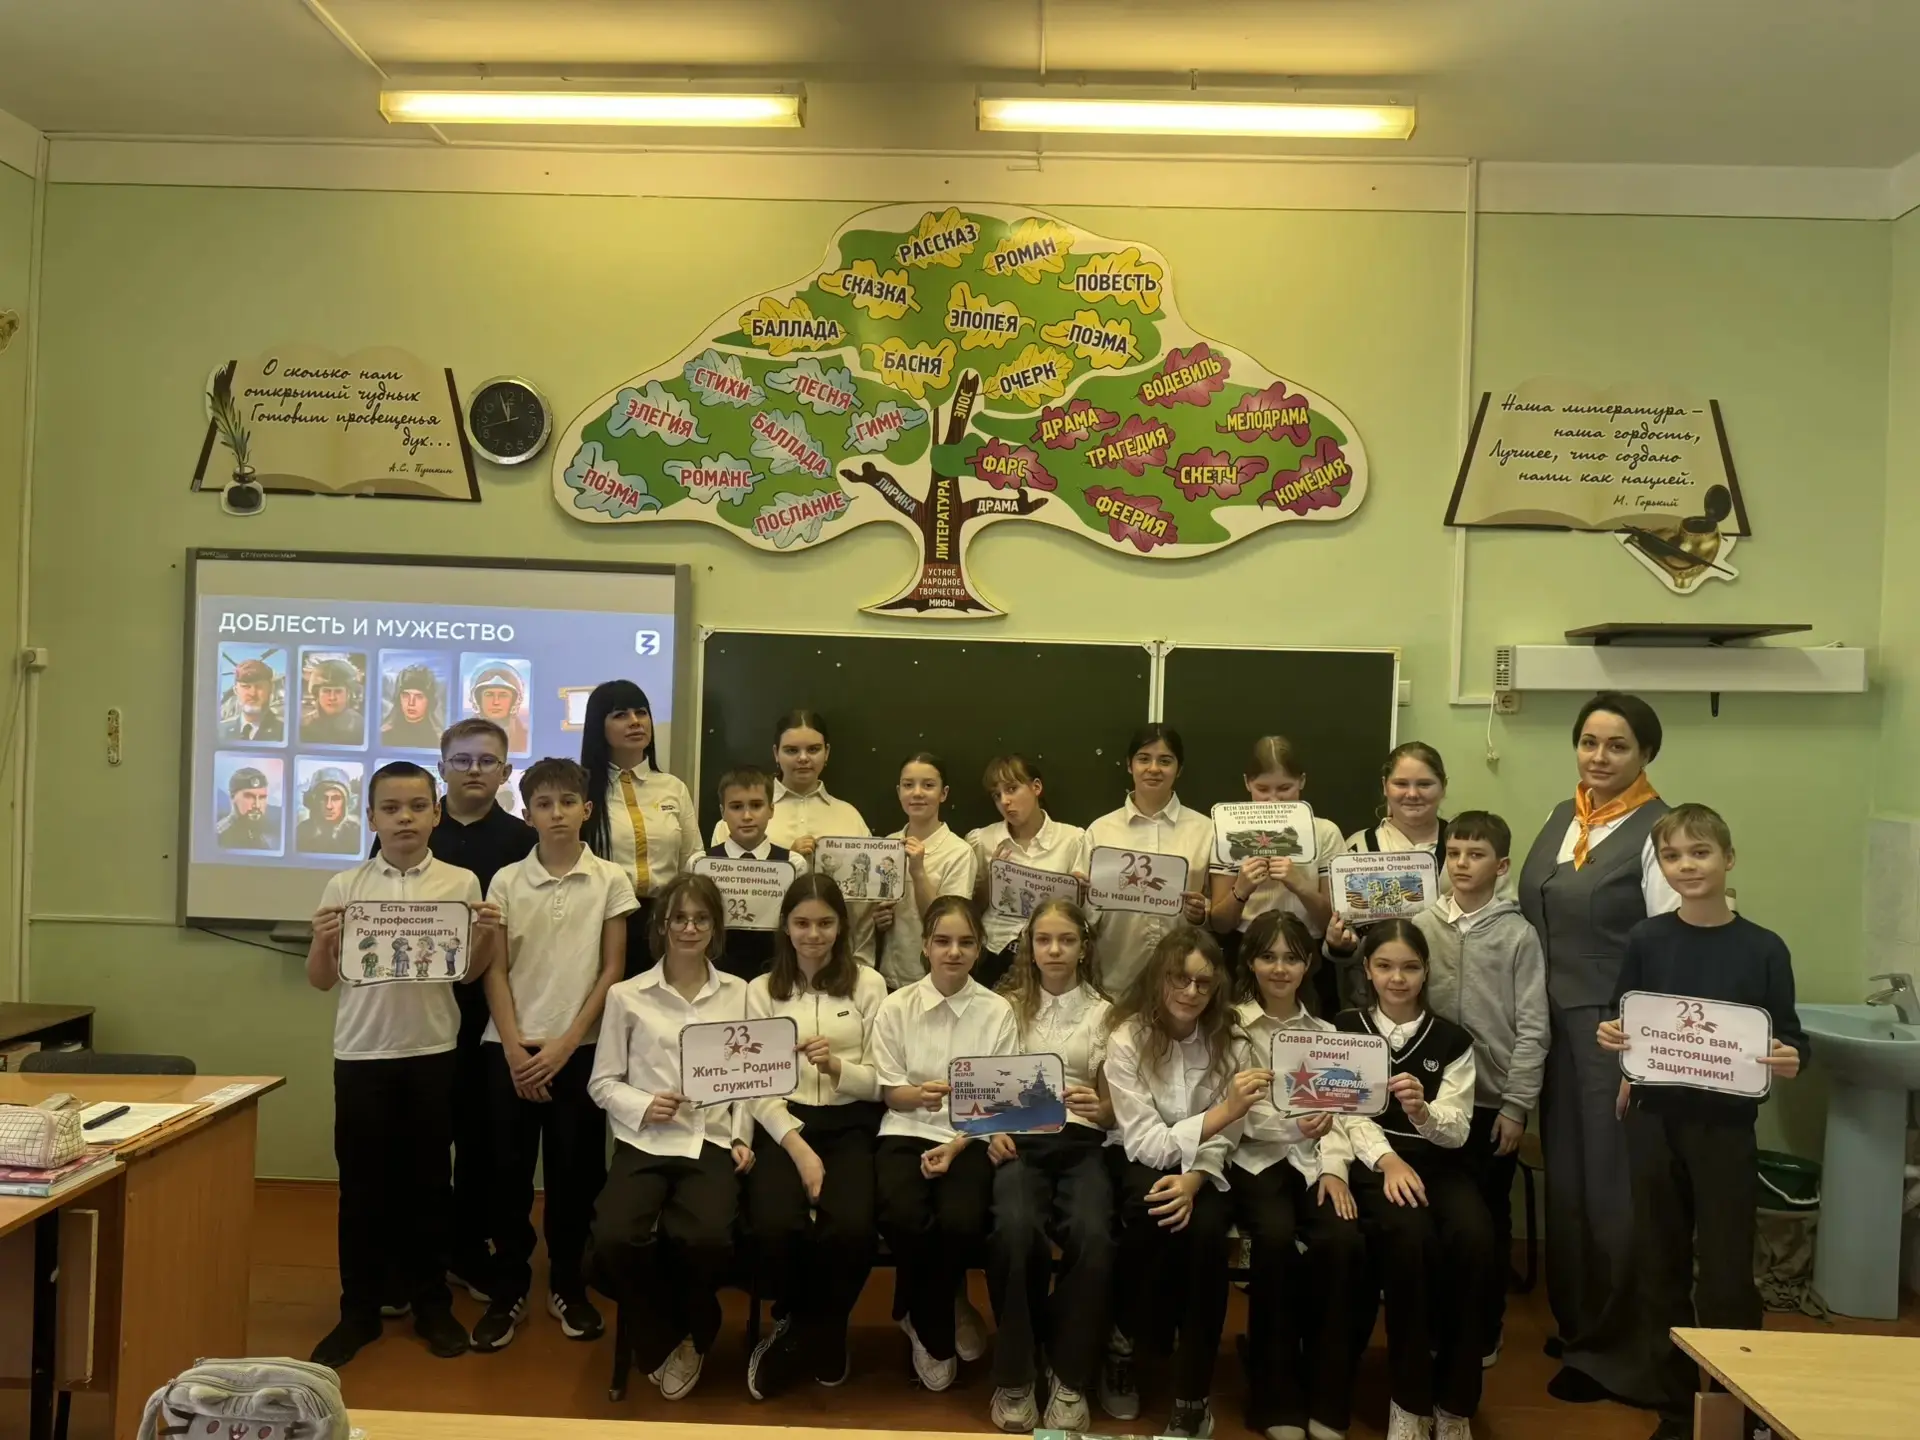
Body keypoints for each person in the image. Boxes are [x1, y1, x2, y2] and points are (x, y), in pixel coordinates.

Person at [1597, 804, 1807, 1440]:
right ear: (1661, 866)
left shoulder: (1764, 948)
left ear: (1728, 859)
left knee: (1725, 1277)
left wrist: (1791, 1057)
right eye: (1672, 856)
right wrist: (1613, 1040)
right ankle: (1675, 1408)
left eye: (1700, 852)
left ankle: (1736, 1411)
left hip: (1725, 1128)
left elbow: (1789, 1035)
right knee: (1659, 1267)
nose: (1686, 866)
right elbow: (1622, 1017)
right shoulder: (1647, 940)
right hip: (1655, 1121)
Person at [305, 760, 504, 1368]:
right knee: (361, 1187)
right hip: (361, 1053)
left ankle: (431, 1305)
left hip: (432, 1052)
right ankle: (358, 1312)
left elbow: (466, 975)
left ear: (436, 814)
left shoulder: (461, 882)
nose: (405, 819)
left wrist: (486, 934)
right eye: (390, 809)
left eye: (418, 806)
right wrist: (322, 939)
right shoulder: (345, 886)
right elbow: (320, 981)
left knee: (429, 1186)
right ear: (370, 818)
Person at [1515, 692, 1676, 1405]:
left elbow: (1671, 944)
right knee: (1571, 1182)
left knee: (1614, 1192)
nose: (1600, 757)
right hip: (1553, 1024)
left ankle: (1624, 1354)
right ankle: (1581, 1327)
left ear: (1646, 754)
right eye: (1589, 742)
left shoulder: (1658, 830)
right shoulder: (1564, 817)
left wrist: (1648, 1054)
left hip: (1615, 1029)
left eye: (1618, 746)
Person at [471, 757, 635, 1352]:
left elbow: (613, 970)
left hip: (580, 1052)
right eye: (544, 804)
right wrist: (516, 1049)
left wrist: (565, 1046)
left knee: (575, 1175)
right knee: (507, 1175)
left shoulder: (610, 880)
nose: (557, 813)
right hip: (511, 1050)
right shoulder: (506, 881)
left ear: (586, 810)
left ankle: (568, 1282)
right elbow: (495, 970)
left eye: (568, 802)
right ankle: (509, 1285)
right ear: (527, 814)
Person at [372, 717, 536, 1299]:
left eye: (486, 761)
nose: (473, 770)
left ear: (504, 772)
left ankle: (467, 1252)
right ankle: (410, 1261)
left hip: (491, 1013)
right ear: (442, 768)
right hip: (416, 1014)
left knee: (479, 1141)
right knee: (414, 1144)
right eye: (462, 760)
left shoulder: (522, 841)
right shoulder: (411, 828)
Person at [586, 873, 754, 1402]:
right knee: (614, 1239)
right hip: (647, 1141)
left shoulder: (741, 994)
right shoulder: (626, 995)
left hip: (711, 1141)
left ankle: (690, 1332)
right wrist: (643, 1104)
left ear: (715, 928)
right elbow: (602, 1082)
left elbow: (753, 1081)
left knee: (705, 1239)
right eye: (678, 918)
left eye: (701, 918)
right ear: (661, 925)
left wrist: (742, 1137)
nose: (689, 928)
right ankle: (676, 1330)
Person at [1328, 920, 1491, 1440]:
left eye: (1409, 967)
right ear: (1367, 971)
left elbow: (1458, 1130)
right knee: (1410, 1240)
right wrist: (1387, 1160)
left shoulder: (1453, 1040)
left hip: (1440, 1164)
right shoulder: (1344, 1029)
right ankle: (1410, 1399)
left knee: (1475, 1238)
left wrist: (1423, 1112)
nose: (1397, 978)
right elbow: (1343, 1114)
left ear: (1425, 972)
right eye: (1384, 966)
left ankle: (1455, 1403)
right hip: (1376, 1165)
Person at [1102, 926, 1259, 1438]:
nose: (1191, 992)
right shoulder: (1126, 1038)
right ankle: (1123, 1343)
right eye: (1179, 979)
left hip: (1206, 1165)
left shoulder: (1234, 1040)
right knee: (1149, 1213)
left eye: (1203, 983)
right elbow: (1146, 1143)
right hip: (1143, 1155)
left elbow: (1229, 1134)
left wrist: (1193, 1179)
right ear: (1158, 978)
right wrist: (1222, 1113)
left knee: (1207, 1236)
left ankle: (1193, 1393)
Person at [1407, 810, 1549, 1366]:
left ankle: (1484, 1328)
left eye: (1476, 854)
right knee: (1434, 1218)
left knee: (1487, 1220)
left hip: (1491, 1104)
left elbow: (1534, 1027)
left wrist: (1516, 1105)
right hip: (1431, 1104)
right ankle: (1435, 1326)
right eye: (1454, 853)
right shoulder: (1423, 924)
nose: (1462, 863)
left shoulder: (1518, 935)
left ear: (1502, 865)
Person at [742, 874, 888, 1399]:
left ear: (842, 926)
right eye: (802, 923)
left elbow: (883, 1079)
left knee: (852, 1229)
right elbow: (752, 1085)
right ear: (785, 926)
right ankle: (805, 1320)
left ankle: (811, 1329)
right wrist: (798, 1147)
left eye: (825, 923)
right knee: (773, 1224)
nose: (813, 935)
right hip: (784, 1125)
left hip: (851, 1122)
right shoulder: (760, 991)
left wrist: (838, 1069)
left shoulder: (869, 985)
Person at [1227, 910, 1366, 1440]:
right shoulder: (1231, 1028)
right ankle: (1275, 1396)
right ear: (1251, 962)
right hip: (1254, 1160)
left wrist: (1334, 1169)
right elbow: (1235, 1115)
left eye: (1291, 957)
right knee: (1275, 1239)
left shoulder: (1327, 1034)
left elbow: (1342, 1117)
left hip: (1314, 1162)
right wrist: (1292, 1126)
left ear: (1308, 965)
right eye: (1268, 957)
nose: (1280, 968)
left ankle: (1327, 1394)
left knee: (1343, 1241)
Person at [872, 896, 1016, 1393]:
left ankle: (916, 1308)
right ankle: (936, 1321)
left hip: (968, 1137)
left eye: (966, 942)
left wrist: (955, 1147)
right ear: (925, 946)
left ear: (979, 948)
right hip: (905, 1128)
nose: (954, 952)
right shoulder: (896, 1006)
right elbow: (891, 1091)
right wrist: (917, 1095)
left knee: (962, 1220)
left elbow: (999, 1100)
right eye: (943, 941)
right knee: (903, 1216)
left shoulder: (997, 1010)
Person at [982, 901, 1114, 1433]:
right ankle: (1016, 1373)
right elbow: (982, 1089)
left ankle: (1069, 1370)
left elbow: (1113, 1106)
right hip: (1020, 1141)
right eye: (1043, 940)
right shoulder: (1002, 1006)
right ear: (1028, 947)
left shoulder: (1106, 1012)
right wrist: (989, 1130)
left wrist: (1100, 1107)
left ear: (1084, 947)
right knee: (1015, 1230)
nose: (1054, 950)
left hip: (1083, 1142)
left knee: (1094, 1235)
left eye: (1066, 940)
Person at [714, 710, 877, 964]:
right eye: (791, 750)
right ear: (775, 753)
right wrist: (783, 864)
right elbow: (722, 895)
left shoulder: (850, 817)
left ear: (827, 753)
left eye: (813, 749)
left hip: (837, 960)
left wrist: (860, 961)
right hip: (759, 959)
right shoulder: (740, 816)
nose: (803, 758)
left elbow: (863, 907)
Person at [581, 680, 702, 981]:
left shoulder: (673, 787)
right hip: (602, 920)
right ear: (599, 726)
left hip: (665, 923)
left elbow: (692, 861)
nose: (635, 722)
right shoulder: (582, 789)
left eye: (641, 712)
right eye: (620, 715)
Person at [1209, 736, 1345, 999]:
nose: (1273, 800)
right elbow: (1221, 924)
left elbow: (1332, 923)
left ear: (1301, 781)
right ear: (1247, 783)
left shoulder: (1325, 833)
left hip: (1308, 952)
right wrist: (1241, 890)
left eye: (1284, 788)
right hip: (1246, 950)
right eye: (1262, 789)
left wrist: (1301, 886)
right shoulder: (1227, 833)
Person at [1085, 725, 1214, 999]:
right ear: (1129, 765)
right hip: (1115, 979)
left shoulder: (1206, 830)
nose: (1153, 768)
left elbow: (1219, 910)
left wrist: (1203, 912)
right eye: (1144, 759)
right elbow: (1087, 915)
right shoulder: (1100, 831)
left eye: (1165, 761)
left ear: (1179, 769)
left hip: (1185, 986)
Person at [966, 755, 1088, 991]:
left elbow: (1082, 915)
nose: (1005, 801)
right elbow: (970, 910)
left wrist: (1080, 894)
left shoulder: (1073, 840)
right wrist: (992, 881)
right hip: (994, 953)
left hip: (1049, 955)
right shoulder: (983, 840)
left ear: (1036, 787)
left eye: (1012, 789)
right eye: (997, 795)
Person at [878, 753, 980, 991]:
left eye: (928, 785)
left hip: (936, 980)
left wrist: (918, 872)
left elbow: (951, 924)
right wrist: (879, 920)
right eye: (908, 785)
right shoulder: (887, 845)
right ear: (899, 792)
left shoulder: (959, 852)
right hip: (890, 976)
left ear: (943, 793)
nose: (917, 793)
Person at [707, 765, 799, 980]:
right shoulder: (701, 863)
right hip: (716, 977)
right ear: (722, 812)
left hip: (778, 976)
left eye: (756, 805)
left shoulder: (794, 865)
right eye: (736, 807)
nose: (747, 816)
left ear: (771, 810)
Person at [1345, 741, 1450, 872]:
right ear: (1385, 786)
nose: (1412, 794)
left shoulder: (1466, 847)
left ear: (1443, 786)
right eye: (1401, 784)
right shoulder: (1357, 848)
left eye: (1424, 784)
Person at [301, 656, 367, 746]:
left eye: (338, 691)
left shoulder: (362, 727)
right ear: (317, 693)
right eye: (326, 691)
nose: (332, 697)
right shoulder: (302, 726)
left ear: (349, 694)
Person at [296, 766, 362, 854]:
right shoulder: (301, 832)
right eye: (323, 798)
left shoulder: (356, 833)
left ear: (346, 802)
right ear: (314, 801)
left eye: (336, 798)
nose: (329, 806)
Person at [470, 662, 531, 754]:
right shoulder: (460, 739)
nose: (496, 702)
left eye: (503, 695)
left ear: (514, 701)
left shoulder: (527, 740)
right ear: (478, 699)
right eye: (489, 694)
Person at [219, 655, 284, 742]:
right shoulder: (220, 731)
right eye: (245, 687)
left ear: (271, 688)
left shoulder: (286, 731)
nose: (252, 693)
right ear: (236, 690)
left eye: (259, 686)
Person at [383, 662, 445, 748]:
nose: (411, 703)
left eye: (419, 696)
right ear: (398, 698)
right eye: (406, 696)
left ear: (429, 700)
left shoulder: (440, 741)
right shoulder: (384, 736)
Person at [217, 765, 278, 850]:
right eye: (249, 797)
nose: (257, 805)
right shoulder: (218, 837)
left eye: (262, 797)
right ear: (232, 796)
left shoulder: (262, 837)